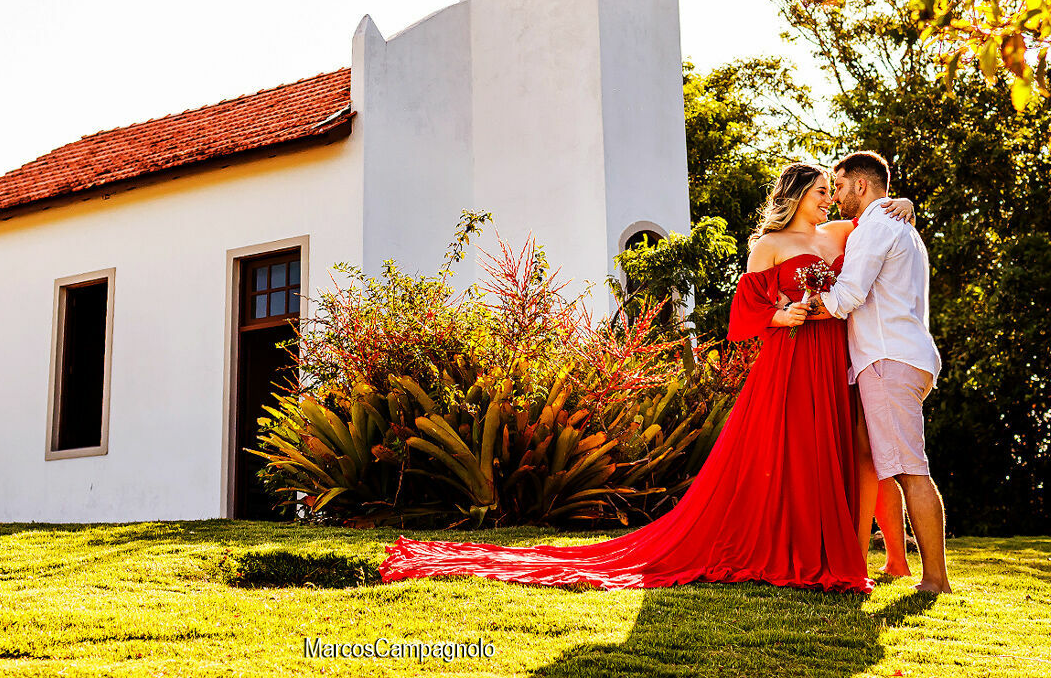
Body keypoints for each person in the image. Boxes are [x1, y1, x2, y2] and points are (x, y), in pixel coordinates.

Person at [378, 163, 912, 592]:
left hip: (831, 360)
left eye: (830, 191)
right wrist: (779, 315)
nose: (829, 199)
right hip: (790, 357)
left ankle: (825, 548)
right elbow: (743, 311)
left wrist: (904, 203)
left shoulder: (841, 233)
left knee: (828, 449)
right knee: (789, 449)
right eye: (821, 190)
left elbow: (883, 222)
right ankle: (785, 546)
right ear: (797, 194)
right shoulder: (767, 245)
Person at [812, 150, 950, 594]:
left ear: (861, 185)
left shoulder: (875, 227)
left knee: (911, 469)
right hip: (902, 357)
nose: (834, 196)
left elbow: (848, 295)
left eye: (838, 186)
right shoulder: (902, 227)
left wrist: (802, 309)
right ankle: (896, 564)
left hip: (888, 360)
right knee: (878, 460)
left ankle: (936, 580)